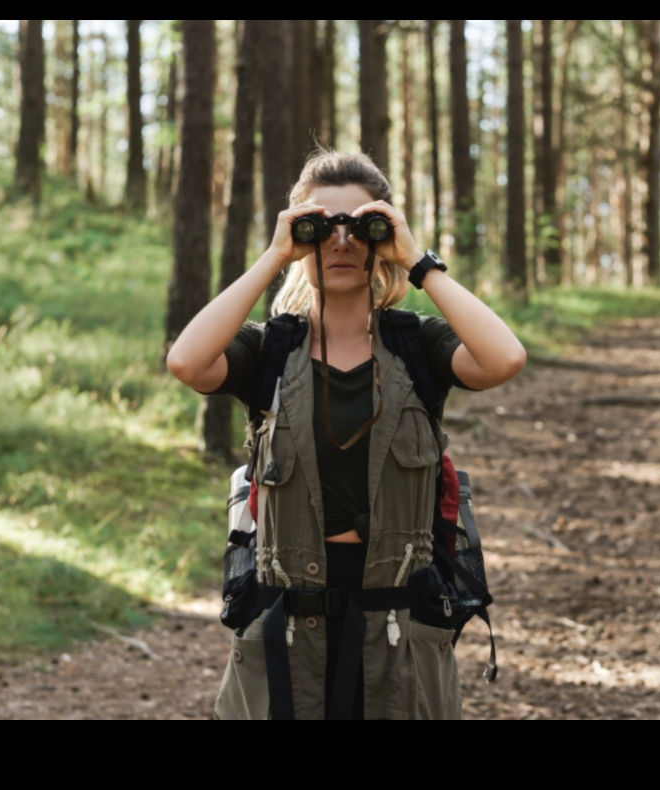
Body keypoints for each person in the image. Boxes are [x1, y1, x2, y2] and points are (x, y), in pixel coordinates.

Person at [167, 150, 525, 719]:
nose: (340, 241)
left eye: (361, 226)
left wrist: (417, 261)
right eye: (319, 227)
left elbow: (505, 357)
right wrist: (275, 256)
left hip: (398, 633)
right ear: (297, 234)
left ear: (383, 234)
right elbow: (186, 361)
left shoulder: (416, 347)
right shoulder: (269, 352)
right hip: (287, 635)